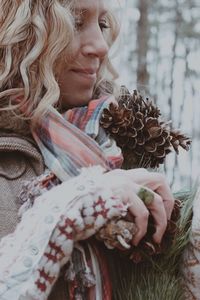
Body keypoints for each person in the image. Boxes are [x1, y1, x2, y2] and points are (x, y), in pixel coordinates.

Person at [0, 0, 175, 299]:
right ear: (21, 33)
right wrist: (70, 205)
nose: (101, 46)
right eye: (75, 22)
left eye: (102, 24)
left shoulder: (113, 151)